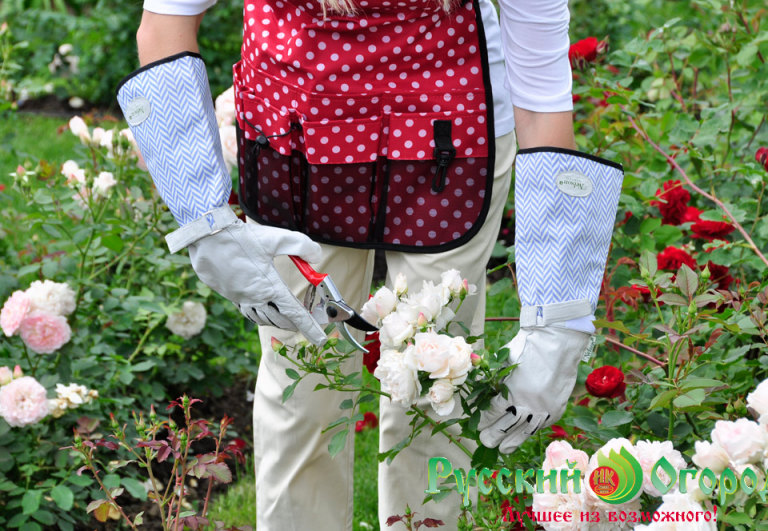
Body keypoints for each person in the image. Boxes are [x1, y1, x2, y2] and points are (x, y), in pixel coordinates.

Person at [118, 0, 623, 528]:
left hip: (452, 133)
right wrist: (203, 219)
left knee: (440, 387)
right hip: (297, 132)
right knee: (301, 388)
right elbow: (166, 22)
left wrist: (558, 322)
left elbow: (542, 100)